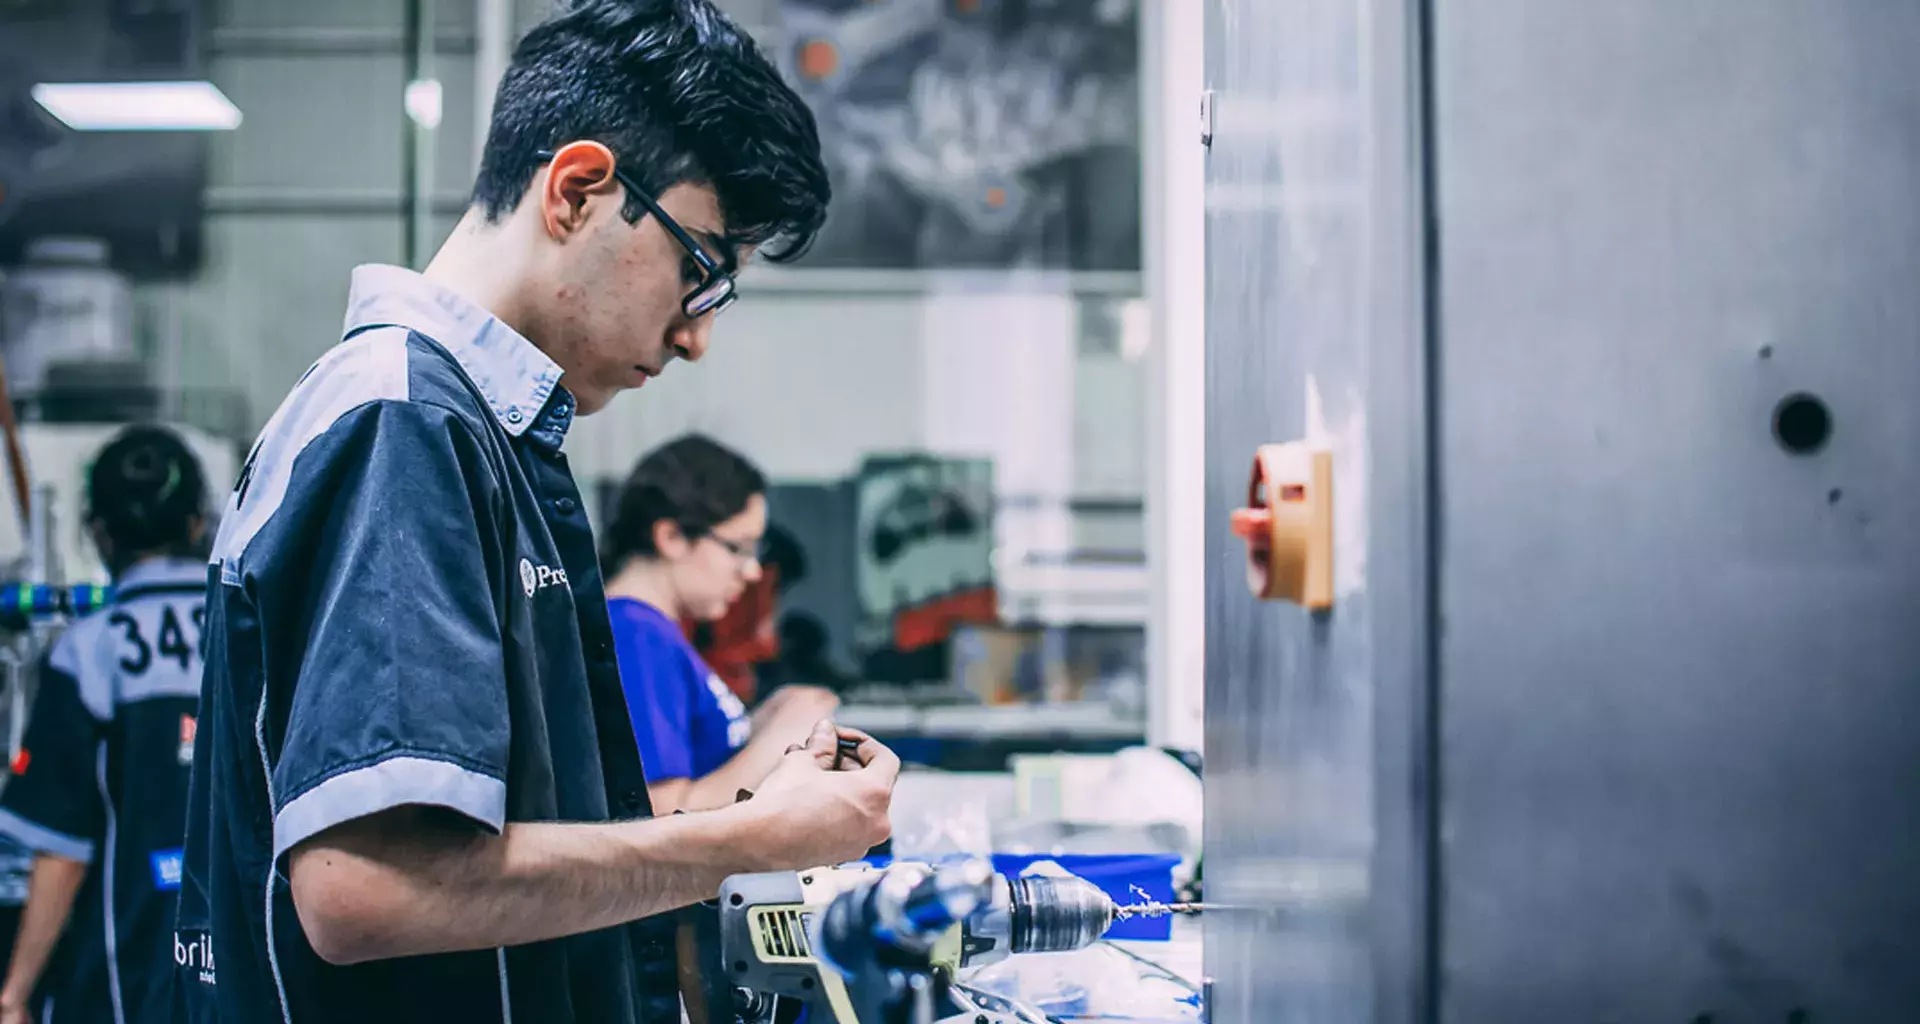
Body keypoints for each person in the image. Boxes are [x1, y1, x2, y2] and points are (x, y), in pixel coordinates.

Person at [170, 3, 897, 1022]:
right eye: (699, 272)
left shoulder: (473, 428)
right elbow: (370, 891)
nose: (695, 338)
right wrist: (755, 839)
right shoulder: (404, 421)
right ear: (578, 190)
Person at [0, 426, 210, 1024]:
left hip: (126, 979)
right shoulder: (255, 634)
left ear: (99, 531)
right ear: (199, 523)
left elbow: (61, 849)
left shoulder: (90, 652)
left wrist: (15, 994)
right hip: (250, 971)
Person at [601, 435, 841, 814]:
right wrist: (782, 737)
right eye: (738, 548)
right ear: (672, 536)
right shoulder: (637, 636)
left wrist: (763, 724)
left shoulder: (656, 633)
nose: (751, 571)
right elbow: (663, 817)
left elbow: (702, 768)